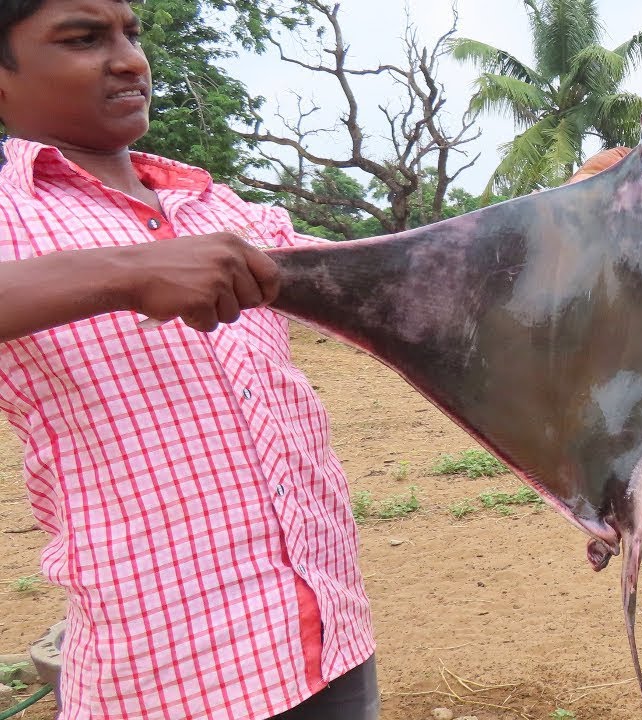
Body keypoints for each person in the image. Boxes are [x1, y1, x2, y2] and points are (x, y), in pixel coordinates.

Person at [0, 1, 377, 718]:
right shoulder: (9, 214)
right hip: (173, 669)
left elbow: (385, 278)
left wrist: (567, 215)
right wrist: (126, 272)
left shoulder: (220, 208)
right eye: (83, 39)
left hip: (329, 635)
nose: (129, 60)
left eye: (131, 34)